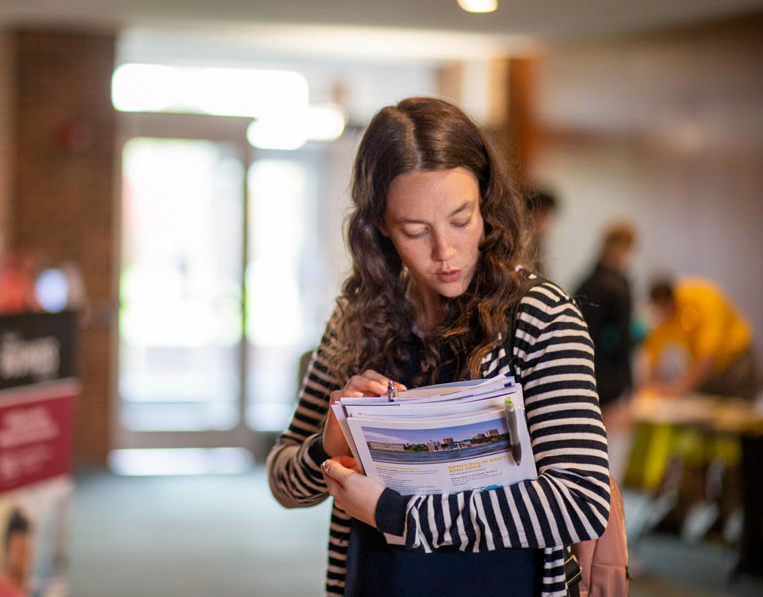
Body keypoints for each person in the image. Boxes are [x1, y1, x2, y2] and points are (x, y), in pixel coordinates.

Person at [267, 97, 610, 597]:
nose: (445, 251)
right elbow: (283, 483)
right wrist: (327, 448)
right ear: (381, 225)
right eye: (415, 230)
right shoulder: (357, 319)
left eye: (461, 218)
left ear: (486, 205)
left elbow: (579, 501)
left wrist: (400, 515)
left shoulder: (541, 317)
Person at [642, 276, 757, 399]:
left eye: (664, 309)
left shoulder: (704, 301)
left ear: (671, 301)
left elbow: (707, 357)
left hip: (736, 363)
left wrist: (681, 387)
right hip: (708, 371)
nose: (662, 315)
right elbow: (652, 356)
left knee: (738, 411)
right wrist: (651, 388)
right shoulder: (662, 315)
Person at [574, 221, 637, 409]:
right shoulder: (618, 286)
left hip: (583, 367)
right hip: (610, 377)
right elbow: (624, 337)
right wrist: (629, 383)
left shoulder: (586, 281)